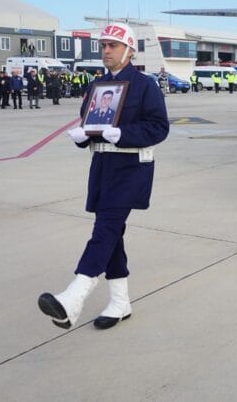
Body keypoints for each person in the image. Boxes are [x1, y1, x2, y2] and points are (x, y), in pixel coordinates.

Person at [38, 23, 169, 330]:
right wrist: (81, 136)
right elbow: (90, 123)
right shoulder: (97, 86)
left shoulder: (144, 85)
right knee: (113, 235)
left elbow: (159, 127)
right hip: (102, 168)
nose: (106, 51)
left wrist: (123, 133)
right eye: (103, 46)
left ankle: (74, 297)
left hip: (130, 168)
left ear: (129, 50)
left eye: (112, 45)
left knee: (105, 229)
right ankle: (120, 302)